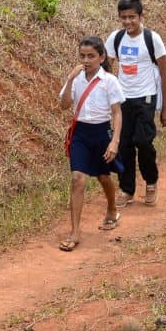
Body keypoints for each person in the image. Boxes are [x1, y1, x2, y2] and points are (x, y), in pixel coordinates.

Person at [58, 36, 125, 251]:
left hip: (101, 132)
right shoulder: (76, 79)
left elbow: (117, 112)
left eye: (91, 56)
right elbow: (64, 104)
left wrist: (114, 141)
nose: (86, 60)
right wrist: (69, 79)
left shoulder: (109, 81)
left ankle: (112, 209)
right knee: (77, 179)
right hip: (80, 133)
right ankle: (75, 232)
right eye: (82, 56)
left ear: (101, 57)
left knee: (103, 176)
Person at [106, 0, 166, 208]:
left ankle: (151, 183)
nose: (127, 22)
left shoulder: (152, 39)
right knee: (123, 145)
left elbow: (164, 73)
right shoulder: (115, 39)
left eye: (132, 17)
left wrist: (165, 107)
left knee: (143, 143)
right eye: (123, 17)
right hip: (122, 100)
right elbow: (107, 68)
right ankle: (127, 189)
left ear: (141, 16)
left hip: (146, 98)